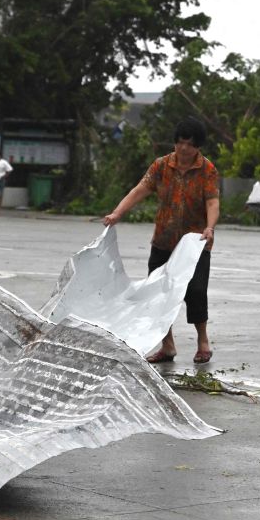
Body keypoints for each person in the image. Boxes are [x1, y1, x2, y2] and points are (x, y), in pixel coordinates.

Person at [102, 117, 219, 365]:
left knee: (196, 291)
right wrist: (117, 213)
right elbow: (139, 191)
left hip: (196, 242)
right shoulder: (161, 166)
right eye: (180, 142)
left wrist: (209, 227)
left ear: (198, 146)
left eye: (189, 144)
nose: (184, 148)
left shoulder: (207, 169)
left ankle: (203, 342)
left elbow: (212, 201)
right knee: (158, 294)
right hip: (163, 241)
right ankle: (167, 346)